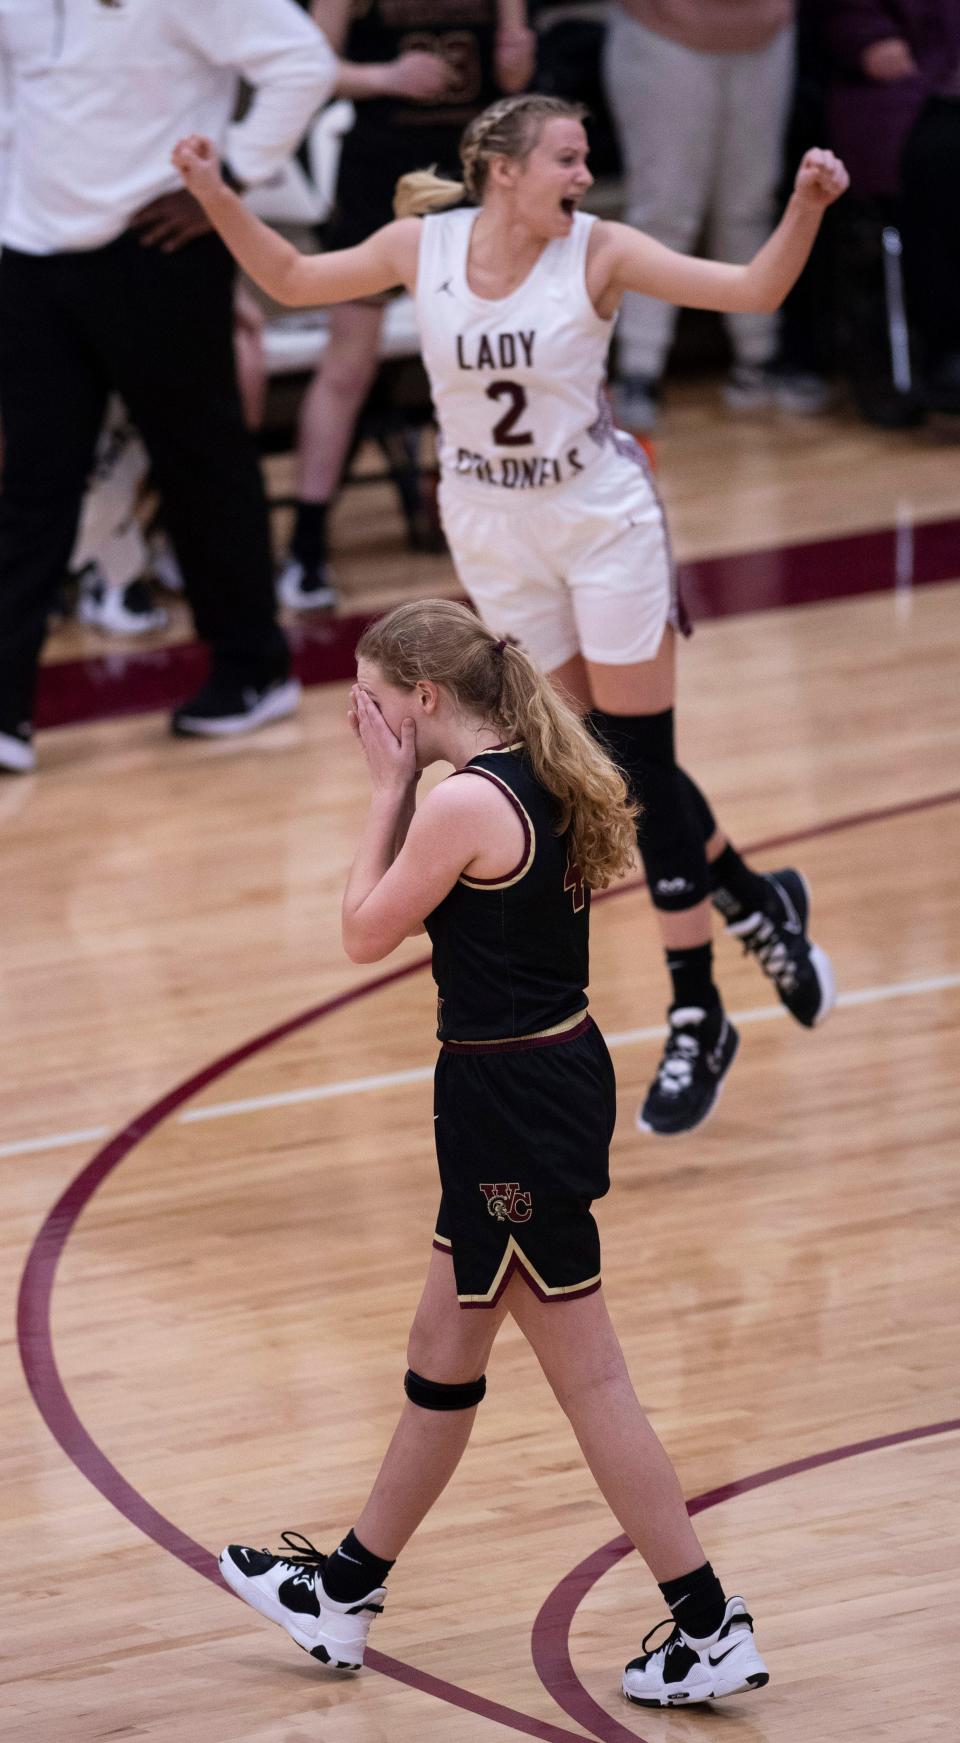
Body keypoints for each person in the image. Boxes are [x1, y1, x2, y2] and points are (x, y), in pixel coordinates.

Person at [173, 94, 846, 1136]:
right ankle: (756, 898)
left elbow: (755, 292)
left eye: (585, 161)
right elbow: (293, 280)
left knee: (633, 763)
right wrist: (215, 193)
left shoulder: (602, 250)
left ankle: (697, 1007)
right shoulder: (422, 246)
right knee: (602, 758)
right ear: (503, 170)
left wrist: (805, 203)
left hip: (598, 518)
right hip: (491, 526)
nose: (585, 176)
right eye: (568, 161)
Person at [217, 596, 772, 1710]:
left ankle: (711, 1623)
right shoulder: (529, 764)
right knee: (441, 1352)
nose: (365, 724)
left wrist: (385, 793)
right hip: (531, 1080)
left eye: (376, 705)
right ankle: (344, 1589)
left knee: (592, 1377)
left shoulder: (458, 802)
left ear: (427, 700)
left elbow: (364, 931)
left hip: (511, 1098)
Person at [0, 0, 465, 774]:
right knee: (32, 484)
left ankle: (253, 670)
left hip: (157, 245)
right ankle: (6, 706)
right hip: (31, 254)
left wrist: (229, 182)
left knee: (200, 463)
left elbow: (302, 62)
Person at [278, 0, 535, 612]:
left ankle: (500, 526)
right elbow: (309, 68)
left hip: (473, 180)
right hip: (381, 176)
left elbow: (516, 80)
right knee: (347, 367)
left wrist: (518, 57)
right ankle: (305, 547)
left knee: (490, 357)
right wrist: (386, 78)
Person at [601, 0, 797, 433]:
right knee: (664, 210)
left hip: (765, 40)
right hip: (663, 37)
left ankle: (758, 358)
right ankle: (640, 368)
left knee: (750, 204)